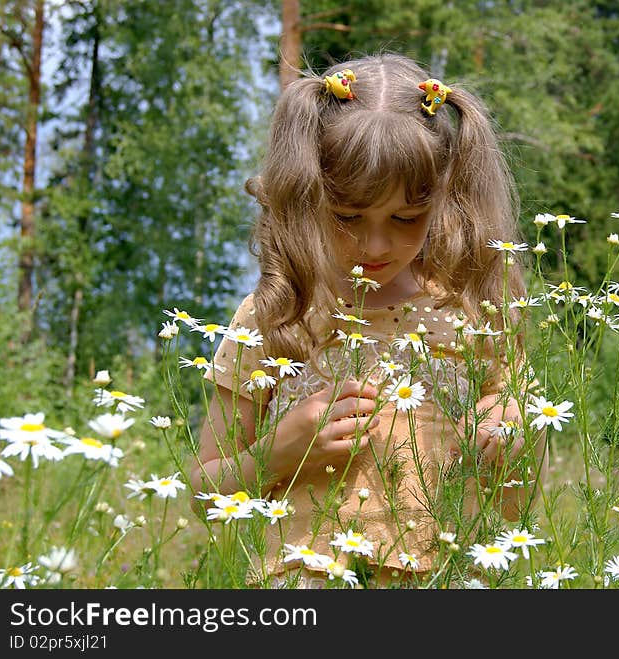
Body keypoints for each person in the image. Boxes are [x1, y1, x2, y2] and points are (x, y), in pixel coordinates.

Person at [190, 52, 547, 589]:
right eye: (347, 217)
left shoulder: (476, 318)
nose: (374, 245)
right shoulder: (275, 314)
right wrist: (275, 452)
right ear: (305, 197)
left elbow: (518, 506)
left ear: (446, 201)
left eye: (405, 219)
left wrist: (517, 437)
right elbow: (202, 495)